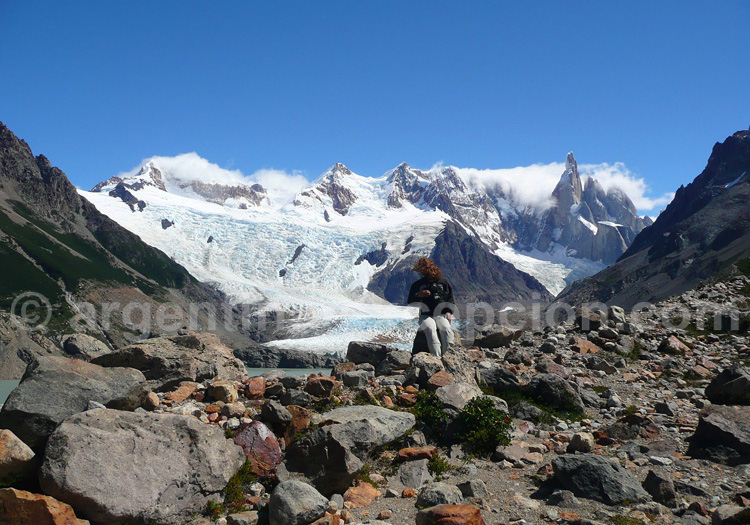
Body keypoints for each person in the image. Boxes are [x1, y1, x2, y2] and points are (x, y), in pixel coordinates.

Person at [407, 257, 455, 357]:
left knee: (446, 329)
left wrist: (449, 312)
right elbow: (410, 300)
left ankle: (447, 358)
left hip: (441, 314)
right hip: (426, 315)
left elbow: (450, 298)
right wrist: (419, 295)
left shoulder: (443, 283)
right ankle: (437, 358)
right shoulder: (418, 285)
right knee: (430, 329)